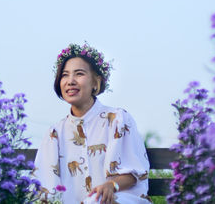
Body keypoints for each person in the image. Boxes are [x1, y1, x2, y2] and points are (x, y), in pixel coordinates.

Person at [33, 43, 151, 204]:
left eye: (79, 74)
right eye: (65, 75)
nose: (70, 81)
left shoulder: (118, 119)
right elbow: (44, 187)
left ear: (96, 82)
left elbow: (134, 173)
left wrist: (111, 186)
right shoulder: (54, 133)